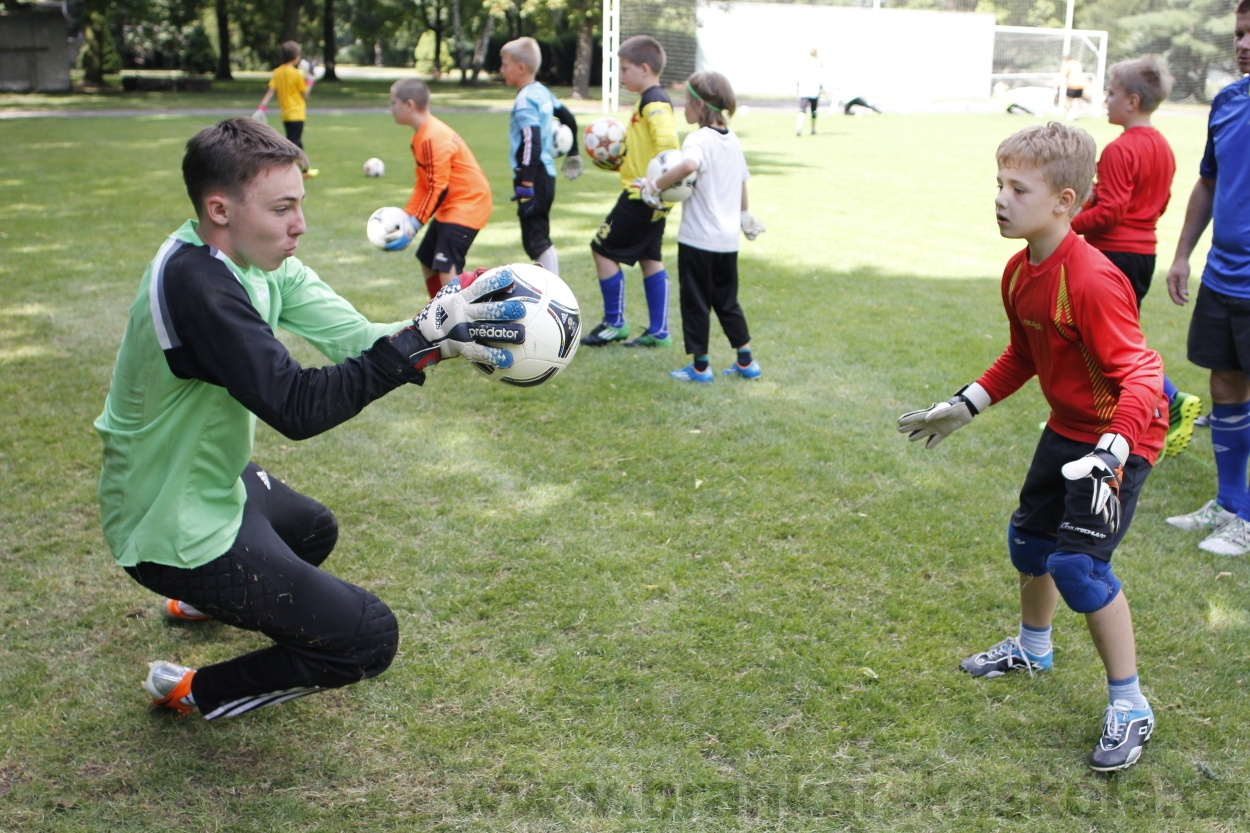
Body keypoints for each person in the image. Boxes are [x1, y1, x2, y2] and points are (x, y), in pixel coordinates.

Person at [94, 117, 525, 720]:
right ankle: (196, 690)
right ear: (219, 209)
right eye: (282, 208)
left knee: (313, 530)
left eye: (300, 204)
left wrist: (447, 329)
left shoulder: (260, 259)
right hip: (165, 520)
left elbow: (354, 338)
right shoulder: (200, 286)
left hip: (207, 483)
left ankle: (204, 603)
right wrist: (417, 346)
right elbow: (296, 406)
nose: (300, 224)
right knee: (365, 638)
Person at [898, 122, 1166, 772]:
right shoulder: (1020, 272)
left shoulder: (1095, 280)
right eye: (998, 183)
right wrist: (965, 405)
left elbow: (1144, 374)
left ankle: (1130, 705)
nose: (1000, 198)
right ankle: (1033, 647)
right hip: (1067, 430)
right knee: (1029, 545)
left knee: (1079, 568)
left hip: (1118, 443)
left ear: (1065, 201)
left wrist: (1112, 451)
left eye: (1018, 188)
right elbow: (1024, 353)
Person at [1072, 56, 1200, 459]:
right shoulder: (1162, 146)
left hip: (1113, 256)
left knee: (1110, 347)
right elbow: (1159, 203)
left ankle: (1169, 402)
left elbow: (1110, 212)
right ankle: (1113, 417)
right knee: (1112, 343)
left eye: (1110, 94)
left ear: (1131, 101)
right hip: (1144, 255)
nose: (1105, 101)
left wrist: (1065, 225)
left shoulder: (1119, 149)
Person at [1163, 0, 1250, 556]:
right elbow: (1209, 183)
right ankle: (1230, 503)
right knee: (1225, 383)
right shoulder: (1227, 101)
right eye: (1241, 33)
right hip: (1223, 277)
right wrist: (1182, 254)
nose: (1243, 44)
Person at [637, 71, 766, 382]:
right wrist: (744, 215)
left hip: (697, 240)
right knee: (727, 301)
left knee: (696, 302)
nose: (683, 109)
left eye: (685, 102)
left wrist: (655, 184)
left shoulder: (698, 139)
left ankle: (700, 367)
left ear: (699, 104)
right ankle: (746, 361)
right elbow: (742, 180)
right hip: (726, 241)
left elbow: (689, 165)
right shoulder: (732, 139)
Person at [581, 35, 680, 348]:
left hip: (641, 196)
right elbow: (646, 148)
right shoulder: (647, 99)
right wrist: (619, 162)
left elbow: (668, 148)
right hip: (654, 197)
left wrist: (655, 184)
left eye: (625, 69)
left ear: (645, 68)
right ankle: (659, 331)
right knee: (651, 258)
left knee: (602, 248)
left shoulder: (655, 102)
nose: (621, 75)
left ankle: (614, 323)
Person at [386, 78, 494, 299]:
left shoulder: (432, 138)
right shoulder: (421, 136)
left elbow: (438, 188)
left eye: (393, 102)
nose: (391, 108)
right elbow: (423, 184)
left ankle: (458, 327)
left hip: (468, 204)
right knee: (427, 260)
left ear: (409, 105)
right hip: (452, 206)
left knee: (447, 268)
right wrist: (406, 217)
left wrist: (415, 224)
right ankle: (439, 314)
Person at [499, 36, 584, 276]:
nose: (501, 70)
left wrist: (526, 182)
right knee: (537, 236)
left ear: (520, 68)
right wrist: (574, 150)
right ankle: (551, 293)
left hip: (533, 176)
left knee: (536, 239)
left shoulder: (525, 98)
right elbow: (568, 117)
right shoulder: (542, 91)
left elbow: (531, 139)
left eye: (505, 64)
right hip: (545, 173)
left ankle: (554, 297)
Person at [257, 41, 318, 178]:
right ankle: (291, 170)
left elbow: (271, 91)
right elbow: (304, 94)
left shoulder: (277, 72)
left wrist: (262, 106)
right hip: (297, 113)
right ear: (295, 57)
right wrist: (310, 82)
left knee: (295, 141)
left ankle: (302, 170)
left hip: (285, 114)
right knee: (294, 143)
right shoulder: (296, 74)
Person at [795, 48, 824, 136]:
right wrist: (821, 89)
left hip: (804, 90)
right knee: (814, 111)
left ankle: (799, 128)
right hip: (814, 91)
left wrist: (797, 87)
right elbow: (821, 78)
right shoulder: (819, 64)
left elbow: (798, 77)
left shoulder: (804, 64)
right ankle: (813, 128)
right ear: (816, 54)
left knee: (802, 110)